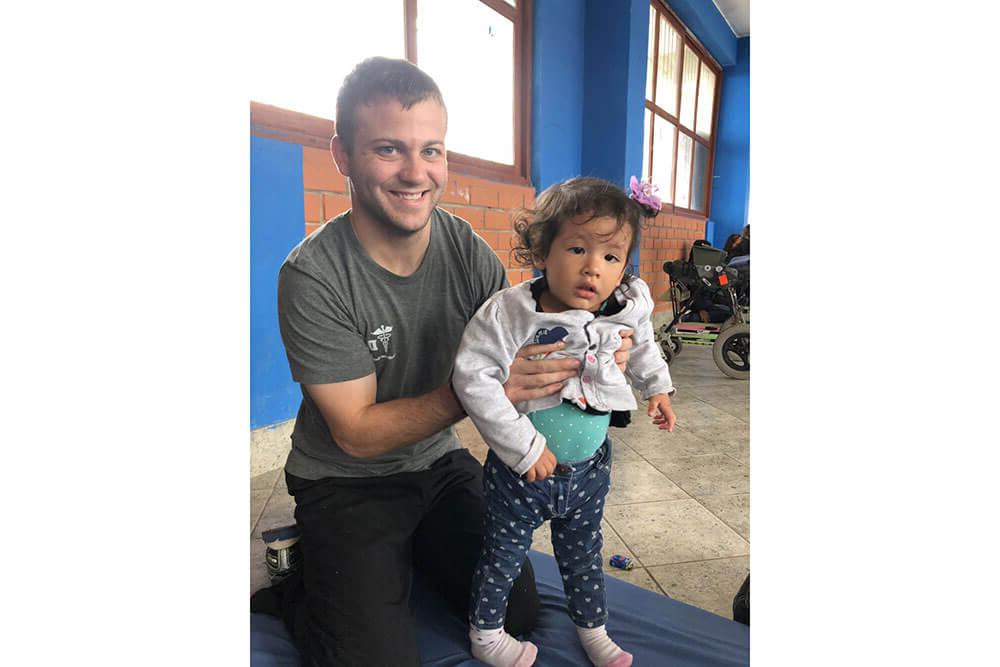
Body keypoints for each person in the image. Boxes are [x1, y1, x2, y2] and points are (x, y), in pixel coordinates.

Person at [258, 57, 633, 666]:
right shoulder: (314, 277)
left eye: (430, 150)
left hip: (436, 461)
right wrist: (484, 390)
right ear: (342, 155)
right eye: (388, 150)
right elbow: (355, 434)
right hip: (346, 480)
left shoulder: (467, 251)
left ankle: (393, 560)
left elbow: (531, 346)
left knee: (515, 612)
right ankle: (307, 584)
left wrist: (604, 345)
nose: (415, 173)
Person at [452, 177, 678, 667]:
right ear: (540, 248)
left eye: (611, 257)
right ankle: (486, 634)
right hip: (522, 474)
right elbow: (473, 377)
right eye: (577, 248)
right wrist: (523, 447)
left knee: (583, 556)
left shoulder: (624, 306)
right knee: (503, 559)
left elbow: (642, 343)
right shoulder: (510, 311)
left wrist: (656, 387)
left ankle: (592, 628)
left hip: (589, 470)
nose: (593, 268)